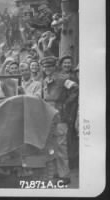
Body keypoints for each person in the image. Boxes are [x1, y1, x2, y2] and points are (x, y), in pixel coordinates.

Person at [40, 56, 78, 184]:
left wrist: (66, 103)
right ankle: (57, 172)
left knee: (61, 145)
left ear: (54, 66)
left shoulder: (62, 78)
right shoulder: (45, 80)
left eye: (49, 66)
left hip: (60, 114)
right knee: (52, 145)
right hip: (48, 115)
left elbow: (76, 89)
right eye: (45, 67)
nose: (47, 69)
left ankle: (65, 175)